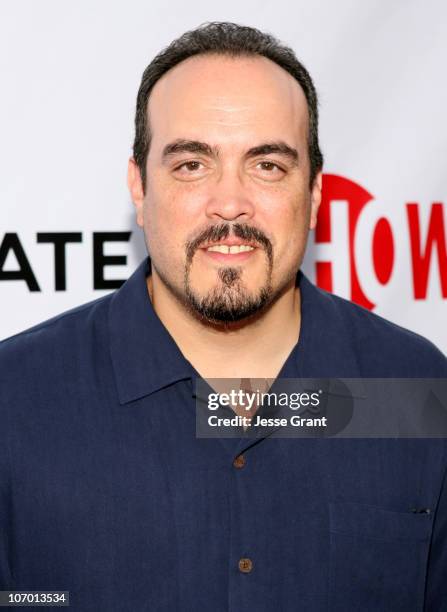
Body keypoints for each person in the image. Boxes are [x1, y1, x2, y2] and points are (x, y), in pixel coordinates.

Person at [1, 21, 446, 612]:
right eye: (191, 164)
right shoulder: (15, 398)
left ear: (314, 193)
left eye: (267, 165)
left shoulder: (415, 390)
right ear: (139, 186)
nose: (230, 202)